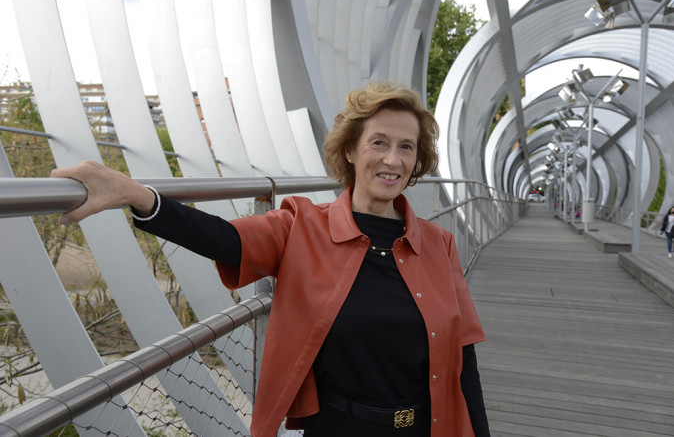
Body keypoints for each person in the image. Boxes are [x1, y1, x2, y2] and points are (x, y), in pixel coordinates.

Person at [52, 81, 490, 436]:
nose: (392, 159)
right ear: (351, 150)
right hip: (337, 429)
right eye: (379, 142)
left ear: (417, 160)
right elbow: (224, 239)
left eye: (406, 147)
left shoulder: (439, 244)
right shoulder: (303, 226)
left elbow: (464, 363)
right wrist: (136, 195)